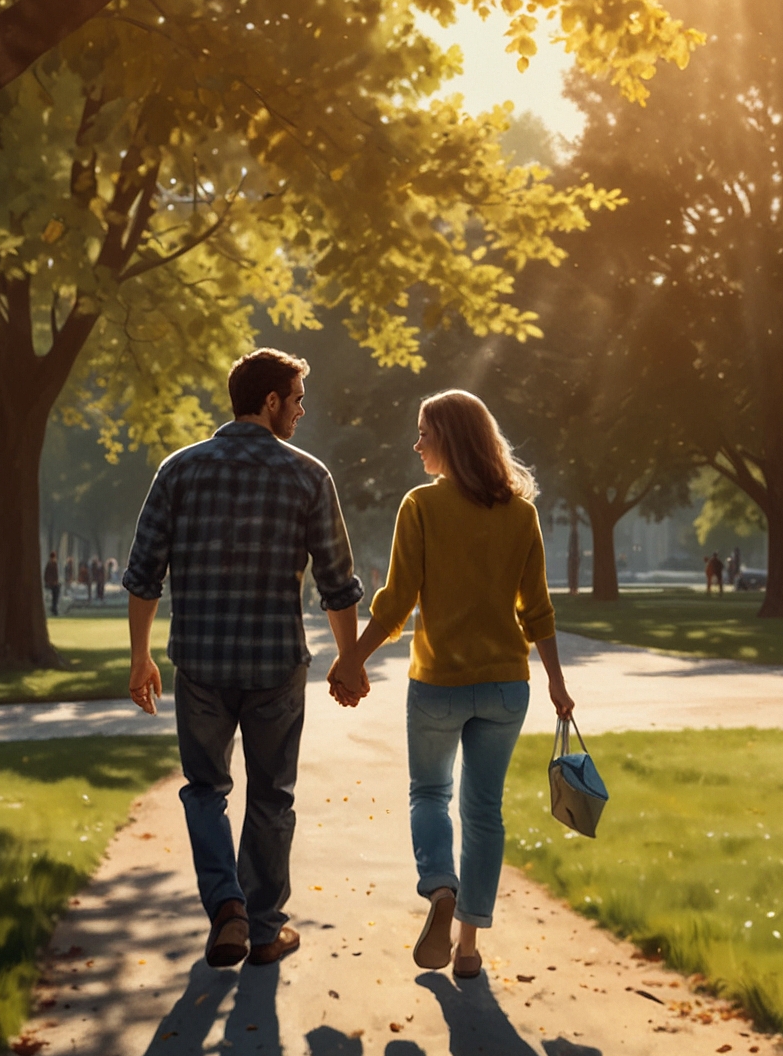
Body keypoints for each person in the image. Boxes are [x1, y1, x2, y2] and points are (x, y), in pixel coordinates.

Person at [123, 347, 364, 969]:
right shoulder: (308, 475)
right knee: (271, 796)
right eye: (297, 399)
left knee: (205, 788)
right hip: (274, 663)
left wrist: (139, 658)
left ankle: (226, 905)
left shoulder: (179, 471)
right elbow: (338, 582)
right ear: (271, 401)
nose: (302, 412)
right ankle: (262, 928)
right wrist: (349, 660)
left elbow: (144, 574)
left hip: (200, 662)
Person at [329, 390, 575, 981]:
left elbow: (395, 601)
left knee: (430, 796)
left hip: (438, 684)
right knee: (484, 811)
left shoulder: (421, 506)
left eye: (424, 434)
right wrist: (557, 684)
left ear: (451, 440)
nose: (416, 446)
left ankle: (440, 886)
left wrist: (351, 661)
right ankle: (468, 946)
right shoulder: (522, 514)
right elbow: (537, 609)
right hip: (504, 688)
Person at [44, 552, 62, 616]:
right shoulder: (53, 564)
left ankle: (54, 608)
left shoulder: (49, 564)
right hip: (52, 583)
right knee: (56, 595)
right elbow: (55, 574)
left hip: (51, 583)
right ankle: (54, 608)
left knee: (55, 596)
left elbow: (46, 574)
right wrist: (54, 581)